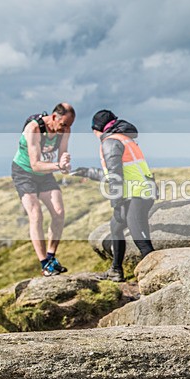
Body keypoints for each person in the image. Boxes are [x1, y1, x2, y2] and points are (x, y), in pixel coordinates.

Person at [72, 110, 156, 282]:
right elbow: (114, 173)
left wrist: (116, 204)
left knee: (142, 241)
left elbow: (115, 175)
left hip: (137, 194)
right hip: (139, 192)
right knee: (116, 228)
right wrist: (88, 172)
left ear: (97, 129)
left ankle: (155, 280)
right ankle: (115, 271)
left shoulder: (110, 142)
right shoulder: (123, 138)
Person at [11, 103, 74, 276]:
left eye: (69, 126)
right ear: (54, 117)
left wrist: (65, 164)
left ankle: (51, 256)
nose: (65, 129)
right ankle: (44, 264)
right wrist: (58, 165)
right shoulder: (33, 129)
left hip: (45, 173)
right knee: (36, 214)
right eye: (63, 125)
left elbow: (62, 154)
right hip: (24, 173)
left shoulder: (65, 131)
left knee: (59, 212)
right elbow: (35, 165)